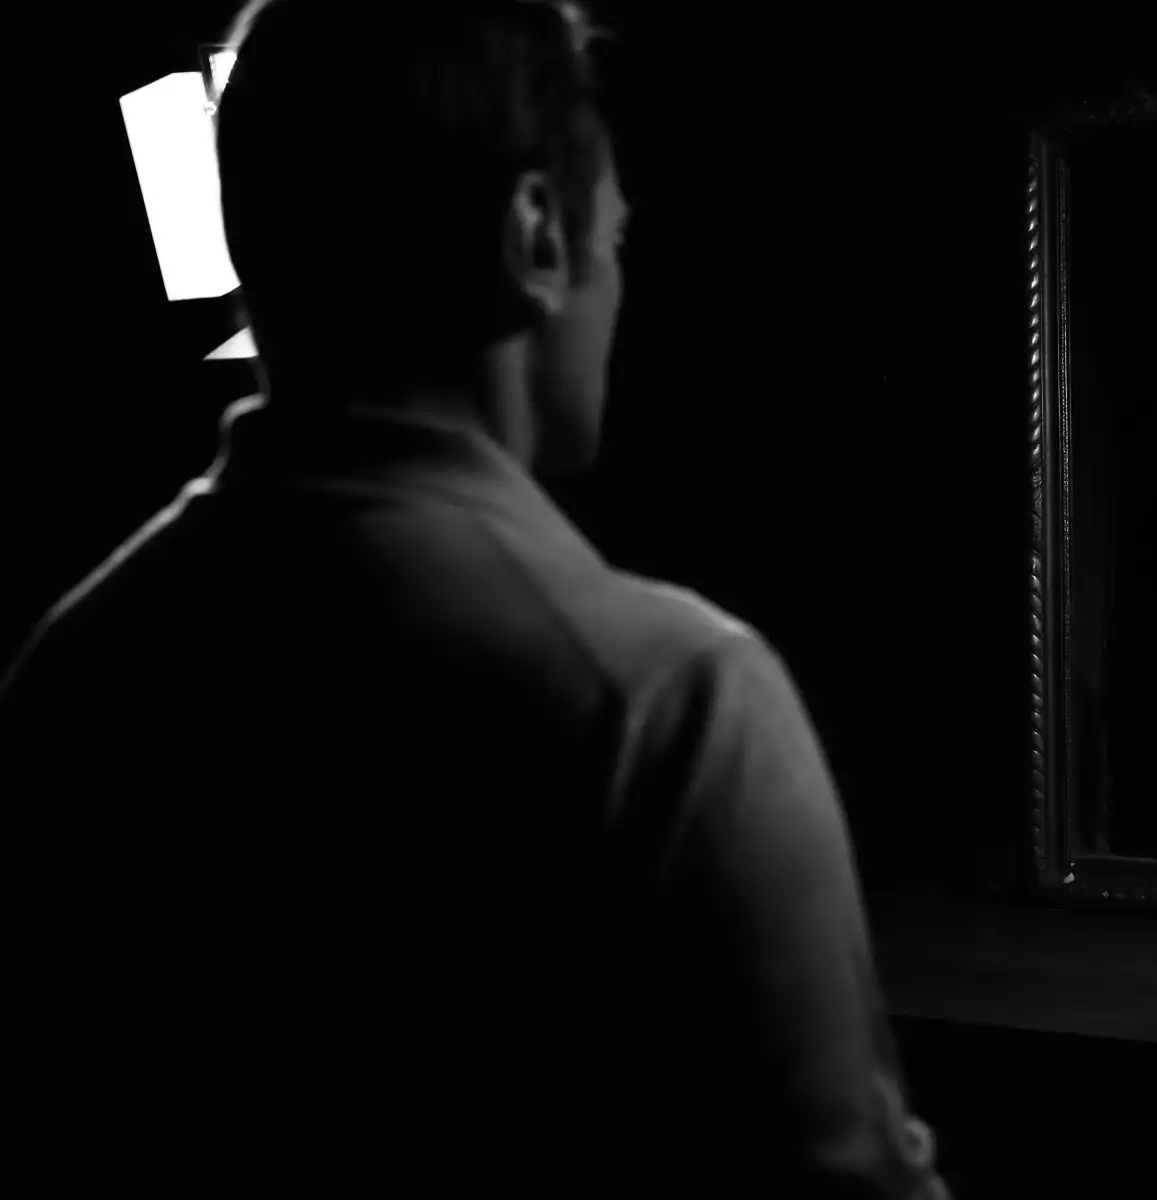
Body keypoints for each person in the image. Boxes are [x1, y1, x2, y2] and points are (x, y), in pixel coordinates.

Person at [1, 2, 948, 1194]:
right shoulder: (670, 703)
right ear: (538, 235)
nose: (619, 286)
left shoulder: (69, 671)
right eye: (616, 238)